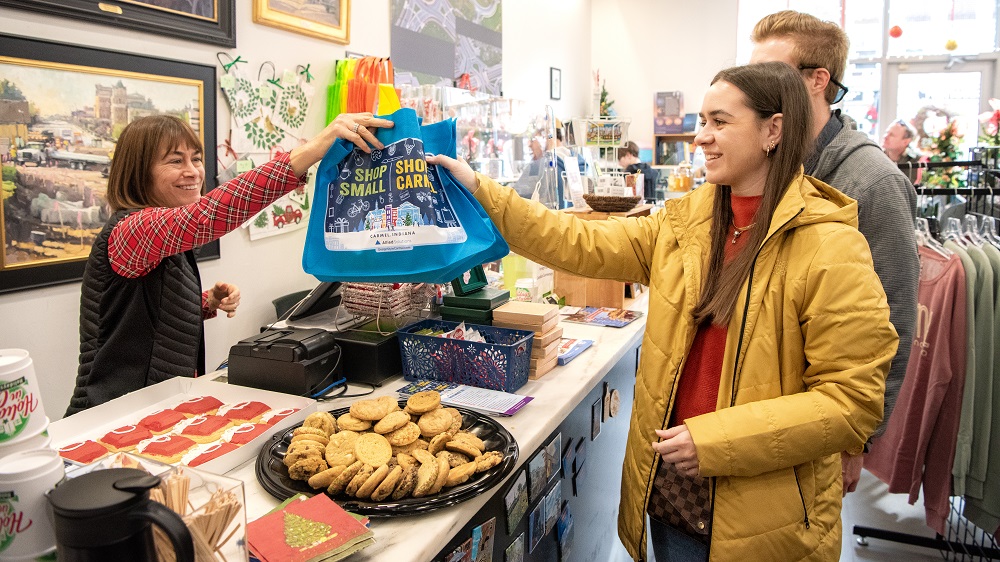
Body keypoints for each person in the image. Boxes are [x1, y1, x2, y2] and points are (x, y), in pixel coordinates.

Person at [429, 61, 897, 561]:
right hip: (671, 492)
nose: (701, 138)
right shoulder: (686, 225)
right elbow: (575, 241)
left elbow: (852, 403)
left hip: (765, 518)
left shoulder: (829, 246)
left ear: (773, 130)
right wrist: (480, 189)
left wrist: (715, 439)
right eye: (701, 121)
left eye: (720, 122)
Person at [67, 112, 392, 416]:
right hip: (109, 415)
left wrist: (205, 303)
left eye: (196, 159)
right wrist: (310, 151)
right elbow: (206, 217)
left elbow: (135, 318)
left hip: (153, 409)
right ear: (139, 171)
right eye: (175, 161)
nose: (193, 171)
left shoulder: (161, 236)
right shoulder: (132, 229)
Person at [750, 9, 919, 496]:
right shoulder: (773, 163)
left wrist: (857, 440)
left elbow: (894, 321)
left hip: (819, 418)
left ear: (817, 80)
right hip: (764, 405)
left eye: (770, 74)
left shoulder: (873, 181)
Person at [882, 118, 921, 184]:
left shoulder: (916, 161)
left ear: (906, 141)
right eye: (886, 132)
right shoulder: (878, 157)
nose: (885, 136)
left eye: (891, 135)